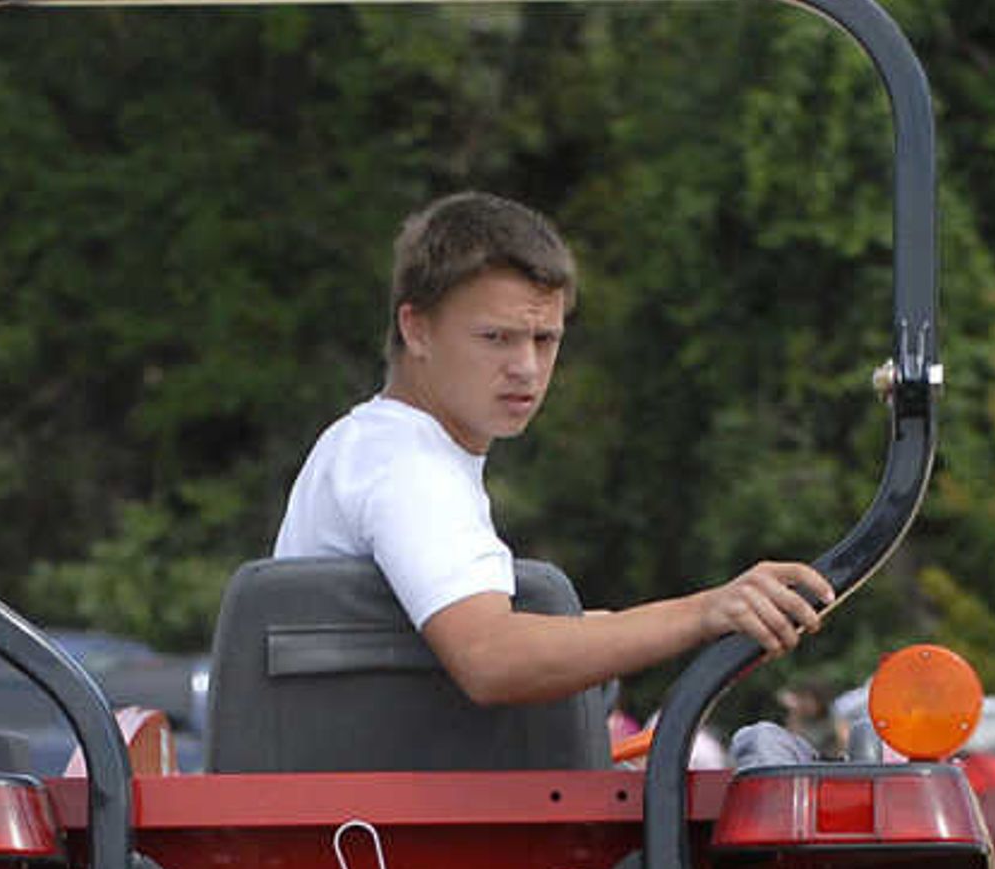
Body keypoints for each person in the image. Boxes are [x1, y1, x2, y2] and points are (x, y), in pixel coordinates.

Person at [275, 192, 834, 718]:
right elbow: (490, 657)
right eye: (496, 338)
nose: (527, 368)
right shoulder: (405, 464)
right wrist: (707, 612)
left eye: (545, 340)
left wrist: (592, 631)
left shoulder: (370, 447)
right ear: (416, 329)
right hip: (377, 814)